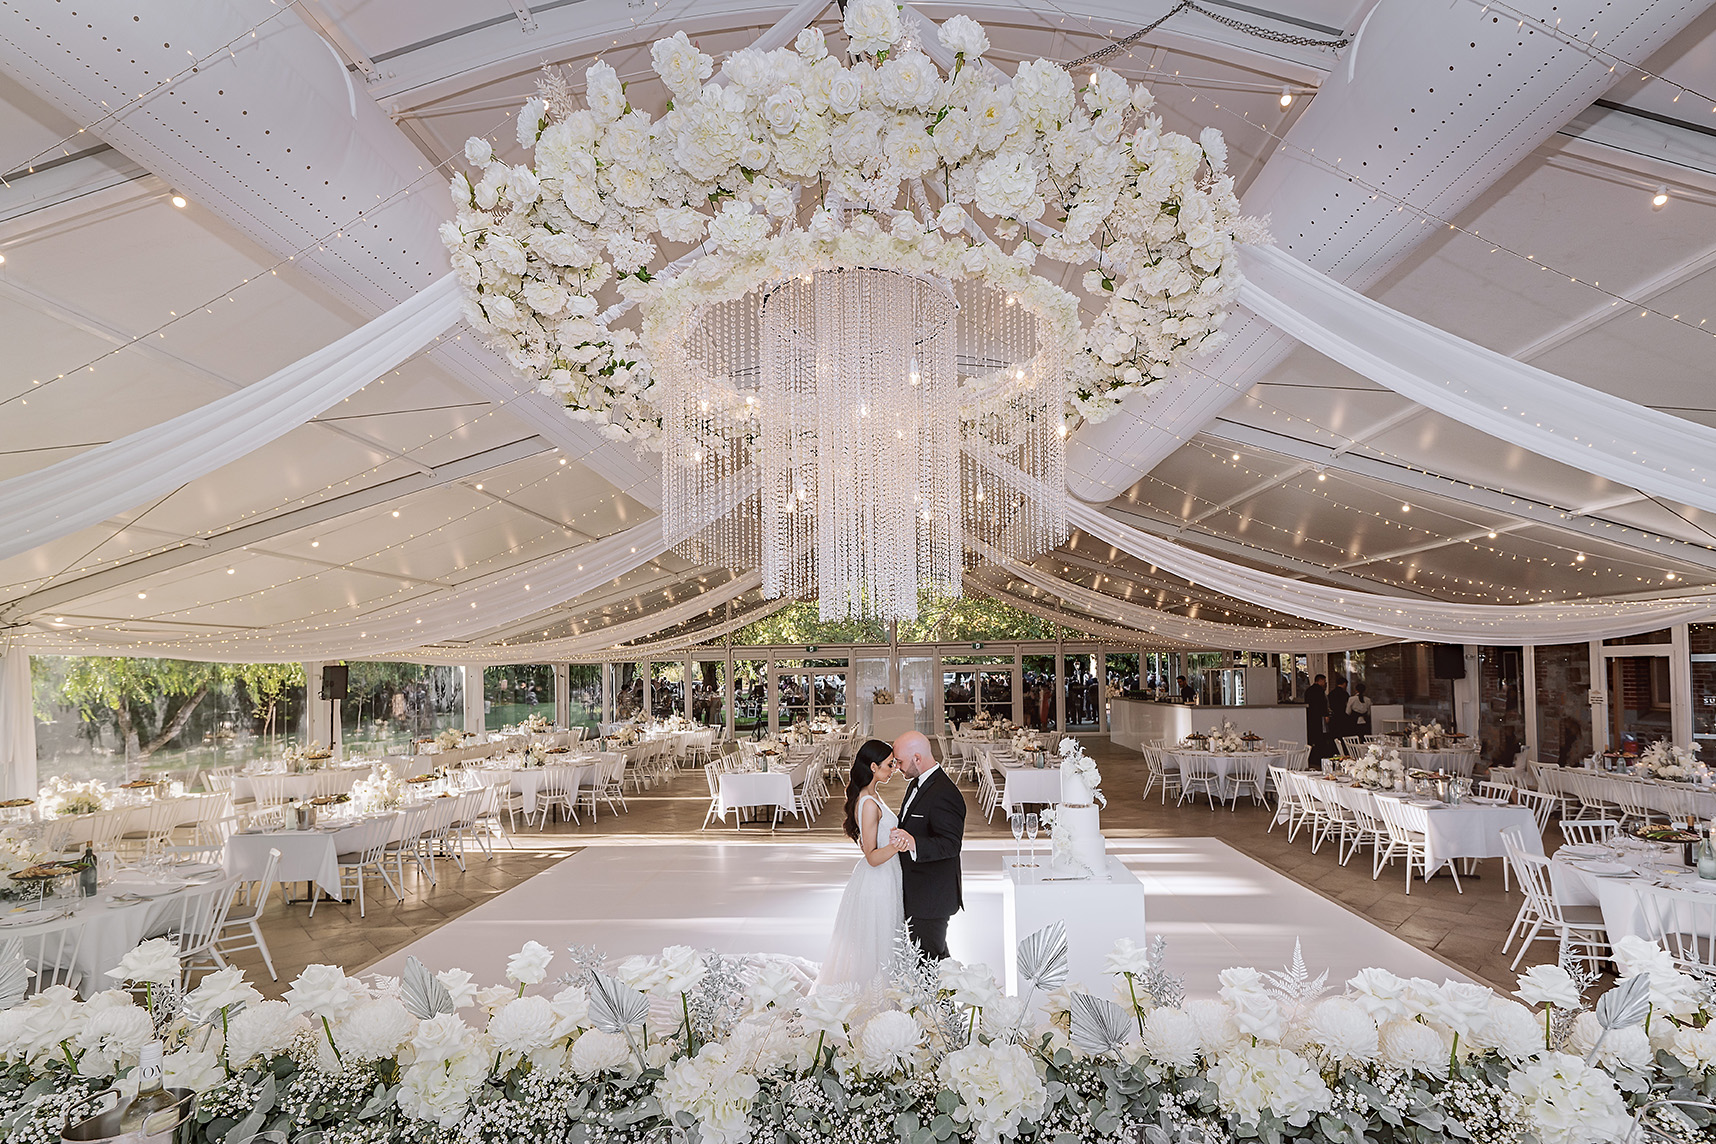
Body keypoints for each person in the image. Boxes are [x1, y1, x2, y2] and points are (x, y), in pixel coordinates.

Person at [816, 740, 907, 991]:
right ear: (874, 766)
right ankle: (874, 995)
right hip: (877, 880)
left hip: (886, 875)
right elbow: (872, 856)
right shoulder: (868, 803)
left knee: (885, 940)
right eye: (890, 764)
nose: (895, 768)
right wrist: (899, 844)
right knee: (878, 942)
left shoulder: (872, 795)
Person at [889, 731, 966, 962]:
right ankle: (950, 996)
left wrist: (914, 843)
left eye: (900, 762)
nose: (897, 767)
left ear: (917, 758)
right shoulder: (917, 783)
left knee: (928, 965)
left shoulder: (944, 793)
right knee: (934, 962)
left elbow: (951, 844)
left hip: (932, 897)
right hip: (919, 893)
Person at [1305, 674, 1330, 765]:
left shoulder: (1308, 690)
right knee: (1320, 738)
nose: (1325, 683)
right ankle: (1320, 758)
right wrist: (1326, 715)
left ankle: (1312, 759)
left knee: (1312, 738)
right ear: (1320, 681)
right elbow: (1322, 704)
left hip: (1310, 716)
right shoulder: (1320, 691)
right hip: (1319, 717)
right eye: (1324, 681)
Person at [1327, 675, 1351, 747]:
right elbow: (1347, 705)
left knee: (1334, 736)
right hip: (1343, 717)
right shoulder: (1345, 694)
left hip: (1334, 716)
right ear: (1344, 684)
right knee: (1343, 735)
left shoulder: (1331, 693)